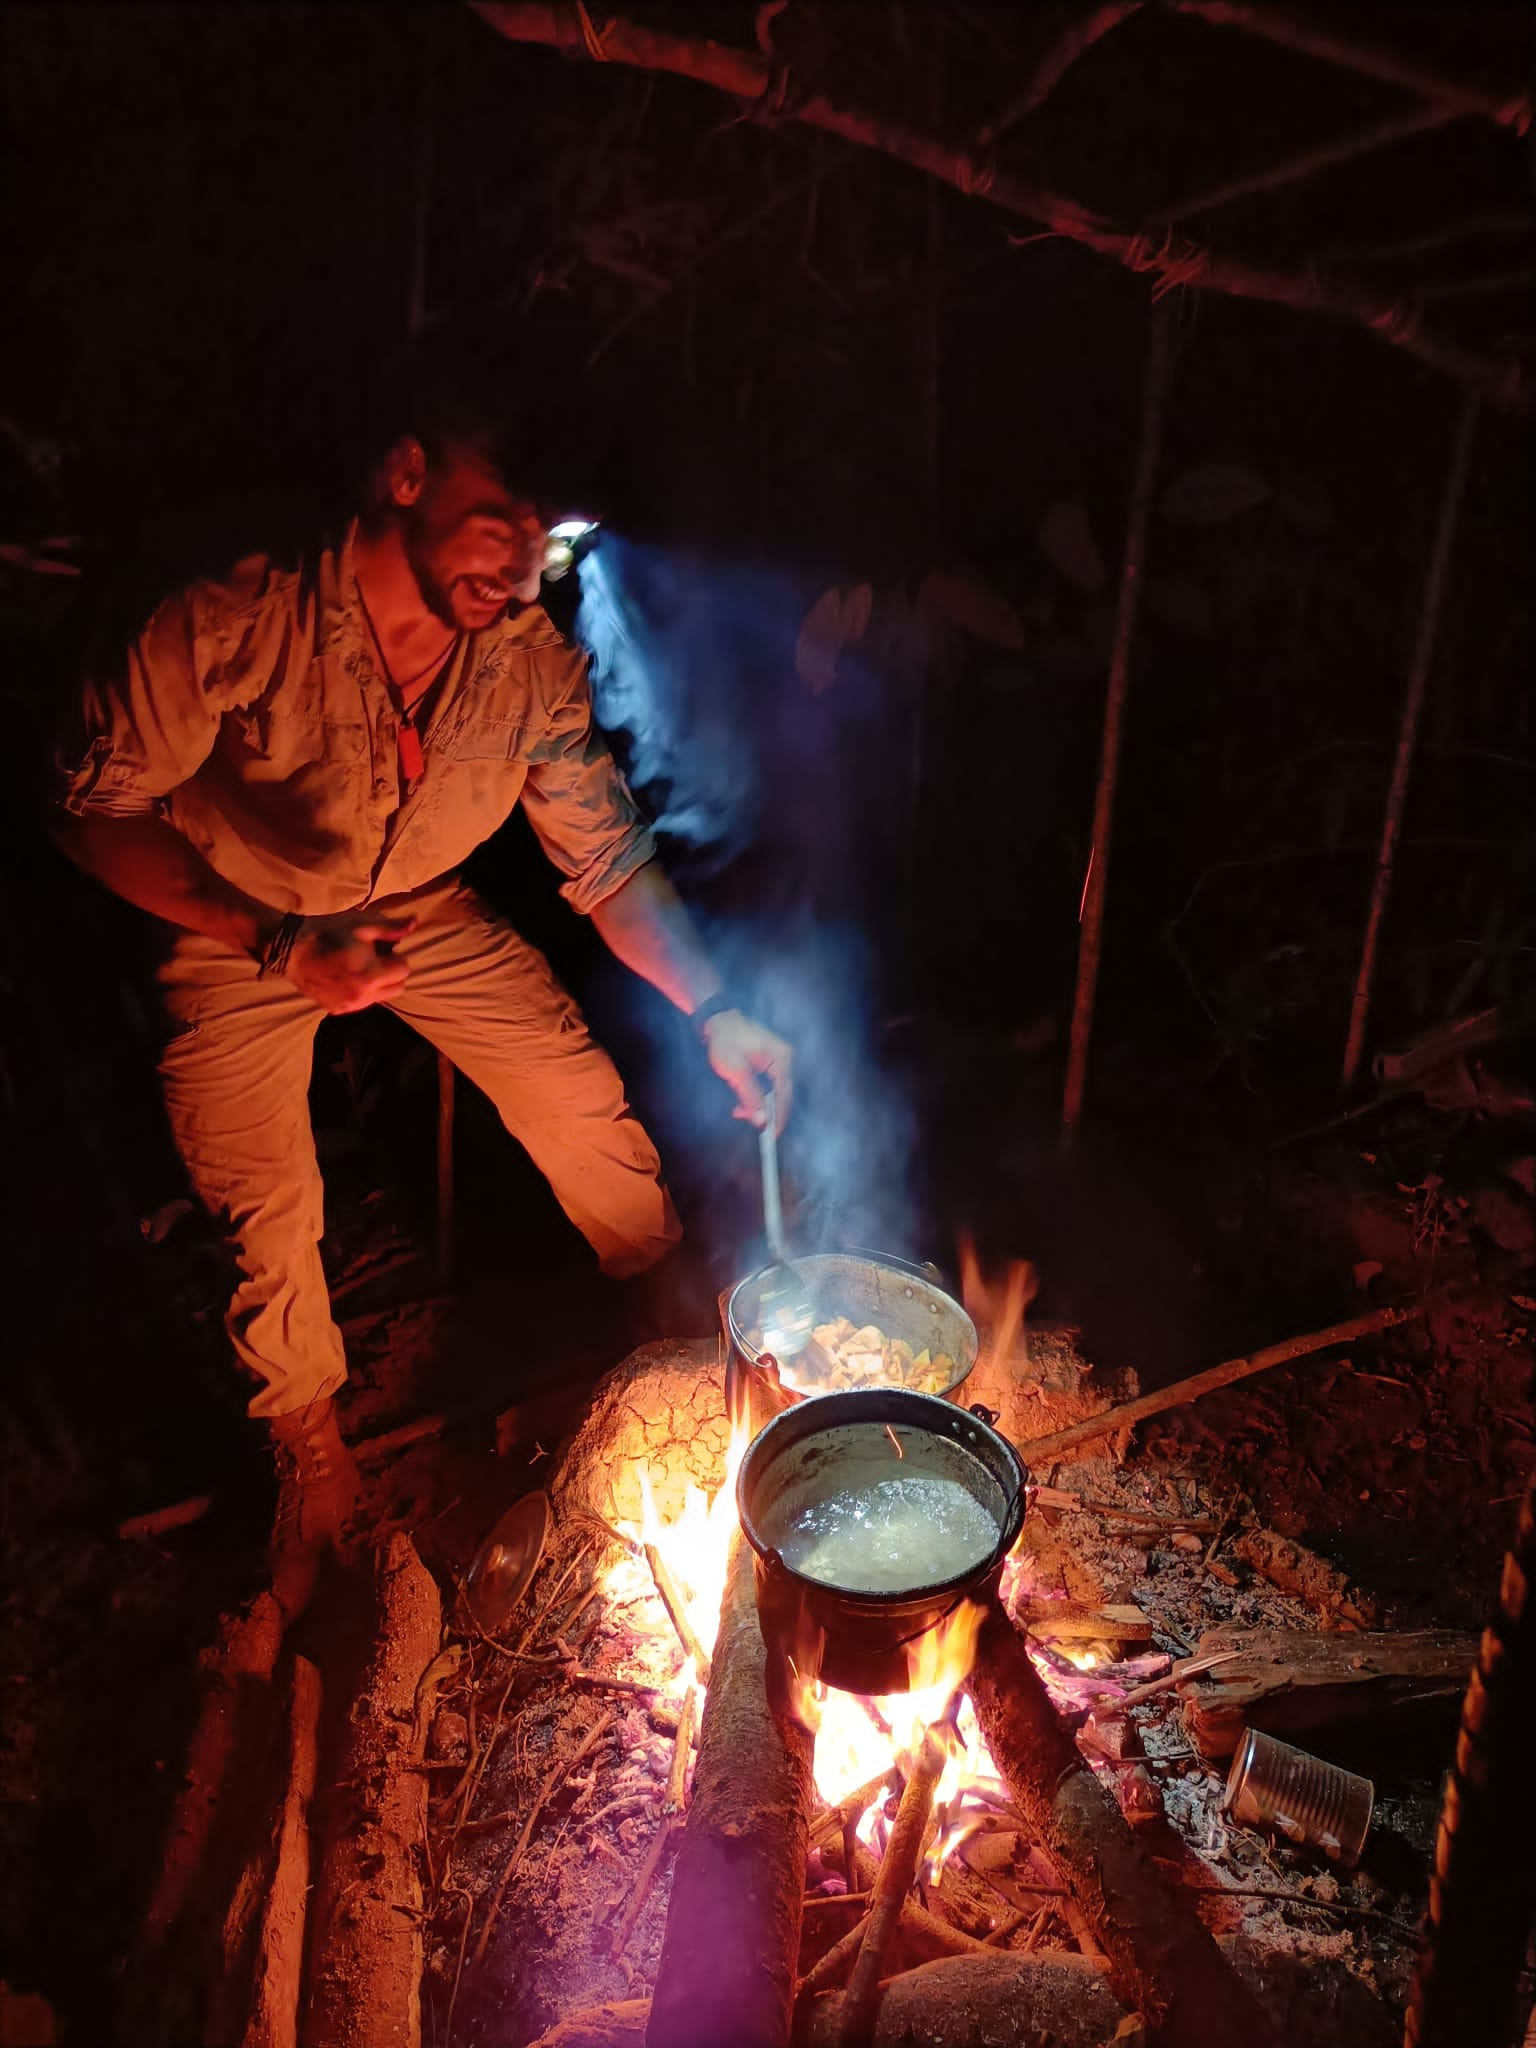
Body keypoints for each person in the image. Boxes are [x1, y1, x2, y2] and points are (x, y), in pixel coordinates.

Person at [50, 398, 792, 1565]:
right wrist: (276, 941)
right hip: (233, 913)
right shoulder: (234, 608)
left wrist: (716, 1005)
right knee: (266, 1198)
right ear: (407, 473)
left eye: (542, 528)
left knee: (569, 1089)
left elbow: (604, 861)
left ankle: (672, 1315)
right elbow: (95, 811)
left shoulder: (523, 660)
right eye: (499, 515)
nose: (521, 559)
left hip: (412, 907)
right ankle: (307, 1453)